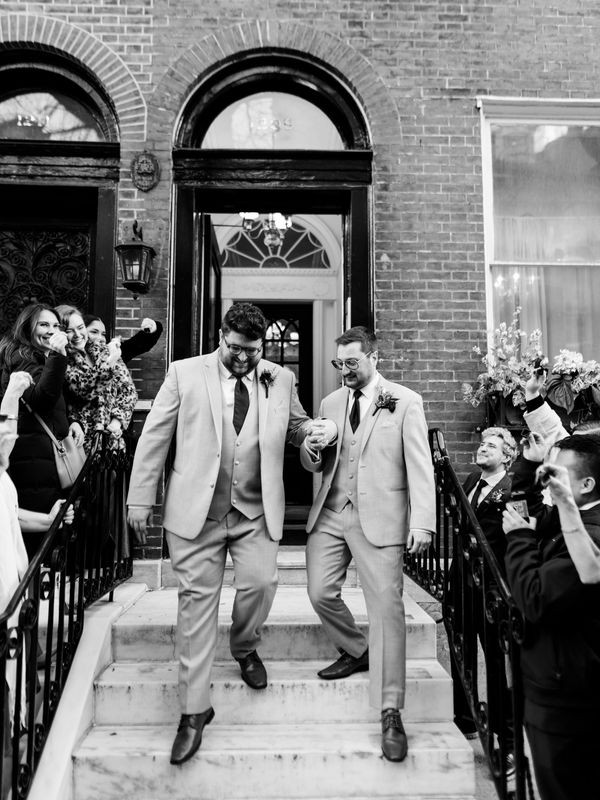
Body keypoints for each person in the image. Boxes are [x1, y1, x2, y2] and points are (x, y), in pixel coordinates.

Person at [126, 302, 336, 766]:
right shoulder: (184, 373)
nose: (244, 358)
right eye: (236, 348)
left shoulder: (280, 378)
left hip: (255, 509)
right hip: (197, 513)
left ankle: (244, 646)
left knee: (261, 584)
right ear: (222, 336)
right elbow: (155, 437)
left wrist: (314, 434)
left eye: (253, 351)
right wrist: (139, 498)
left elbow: (295, 426)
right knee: (195, 607)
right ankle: (193, 710)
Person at [300, 325, 435, 762]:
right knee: (319, 592)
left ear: (374, 358)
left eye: (352, 363)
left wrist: (423, 523)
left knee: (386, 611)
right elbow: (314, 462)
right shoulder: (330, 403)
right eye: (339, 363)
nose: (344, 371)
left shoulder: (405, 401)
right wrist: (313, 447)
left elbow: (420, 466)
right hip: (331, 511)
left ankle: (390, 710)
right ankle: (359, 651)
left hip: (381, 518)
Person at [503, 435, 600, 800]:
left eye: (555, 474)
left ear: (586, 484)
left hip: (566, 698)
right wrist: (528, 466)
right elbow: (528, 513)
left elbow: (535, 598)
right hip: (553, 680)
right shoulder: (568, 514)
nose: (548, 484)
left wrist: (519, 540)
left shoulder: (590, 532)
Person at [0, 304, 84, 558]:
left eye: (56, 326)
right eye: (44, 325)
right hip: (31, 463)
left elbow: (56, 401)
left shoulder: (41, 358)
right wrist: (58, 354)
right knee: (39, 543)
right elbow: (42, 399)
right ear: (28, 328)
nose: (51, 330)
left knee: (54, 532)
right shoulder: (22, 358)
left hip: (43, 459)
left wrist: (71, 421)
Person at [56, 305, 138, 453]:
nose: (77, 334)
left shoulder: (103, 351)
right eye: (69, 331)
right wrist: (110, 362)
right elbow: (84, 390)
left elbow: (129, 391)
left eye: (80, 327)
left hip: (112, 440)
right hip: (82, 442)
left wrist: (117, 421)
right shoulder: (63, 358)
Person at [84, 314, 163, 364]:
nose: (101, 338)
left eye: (103, 334)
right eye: (94, 332)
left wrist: (152, 327)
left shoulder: (111, 355)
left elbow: (137, 345)